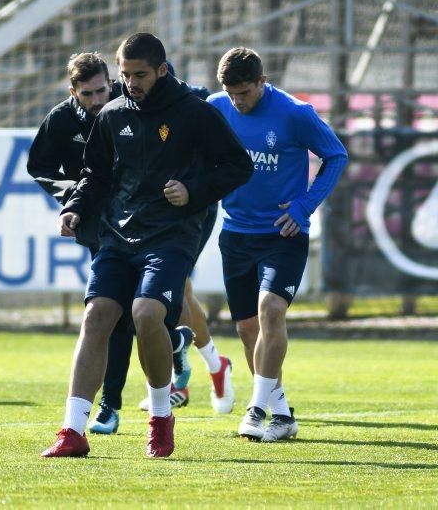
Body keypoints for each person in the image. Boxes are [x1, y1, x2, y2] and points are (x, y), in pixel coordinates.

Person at [41, 33, 252, 458]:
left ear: (161, 69)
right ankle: (72, 430)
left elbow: (237, 166)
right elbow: (96, 174)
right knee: (96, 315)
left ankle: (160, 417)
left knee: (146, 314)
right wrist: (76, 208)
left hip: (172, 235)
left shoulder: (194, 113)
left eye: (139, 74)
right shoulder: (112, 114)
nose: (130, 82)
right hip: (117, 234)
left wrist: (192, 189)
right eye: (124, 74)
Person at [208, 47, 348, 441]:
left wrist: (304, 206)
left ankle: (255, 409)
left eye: (246, 93)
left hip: (283, 234)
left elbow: (336, 155)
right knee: (249, 329)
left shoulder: (295, 113)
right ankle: (282, 413)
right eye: (232, 94)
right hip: (235, 234)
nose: (239, 101)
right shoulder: (217, 107)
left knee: (271, 309)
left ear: (262, 82)